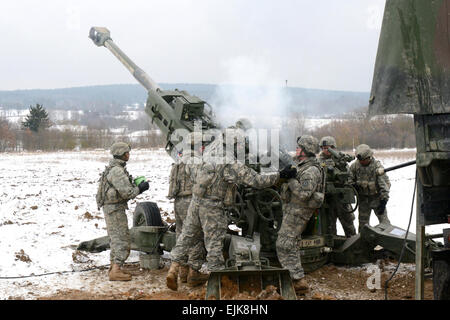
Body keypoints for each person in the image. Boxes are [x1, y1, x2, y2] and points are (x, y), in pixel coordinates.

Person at [166, 130, 293, 291]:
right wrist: (281, 175)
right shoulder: (229, 162)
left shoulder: (210, 151)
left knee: (186, 237)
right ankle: (218, 284)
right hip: (212, 207)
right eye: (239, 144)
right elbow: (255, 180)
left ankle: (173, 270)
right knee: (214, 246)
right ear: (234, 144)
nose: (240, 147)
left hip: (195, 202)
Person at [277, 135, 325, 294]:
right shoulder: (301, 164)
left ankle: (297, 280)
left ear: (306, 151)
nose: (296, 150)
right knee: (291, 242)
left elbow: (304, 194)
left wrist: (290, 179)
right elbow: (289, 165)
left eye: (299, 148)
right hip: (292, 208)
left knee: (284, 243)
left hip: (299, 210)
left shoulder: (311, 170)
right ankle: (296, 276)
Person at [96, 142, 149, 281]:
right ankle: (116, 271)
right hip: (115, 209)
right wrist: (141, 188)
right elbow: (127, 193)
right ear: (123, 154)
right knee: (122, 240)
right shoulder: (117, 171)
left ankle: (115, 267)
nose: (129, 155)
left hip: (113, 208)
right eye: (127, 152)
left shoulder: (114, 168)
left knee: (115, 239)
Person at [167, 133, 207, 287]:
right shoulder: (195, 160)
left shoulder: (179, 159)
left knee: (181, 234)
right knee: (197, 235)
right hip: (191, 200)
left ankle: (182, 272)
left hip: (178, 201)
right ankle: (194, 273)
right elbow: (200, 182)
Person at [318, 136, 356, 237]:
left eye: (328, 148)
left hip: (341, 198)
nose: (326, 150)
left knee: (348, 224)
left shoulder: (339, 159)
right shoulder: (318, 161)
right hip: (327, 199)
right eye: (324, 148)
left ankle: (353, 246)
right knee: (329, 227)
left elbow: (349, 175)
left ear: (334, 147)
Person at [349, 144, 391, 233]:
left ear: (369, 157)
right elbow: (349, 179)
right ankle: (362, 244)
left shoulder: (377, 167)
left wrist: (384, 201)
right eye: (359, 160)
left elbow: (384, 185)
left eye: (363, 160)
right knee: (363, 225)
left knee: (385, 224)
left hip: (377, 198)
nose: (361, 162)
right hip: (363, 199)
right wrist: (353, 185)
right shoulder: (354, 166)